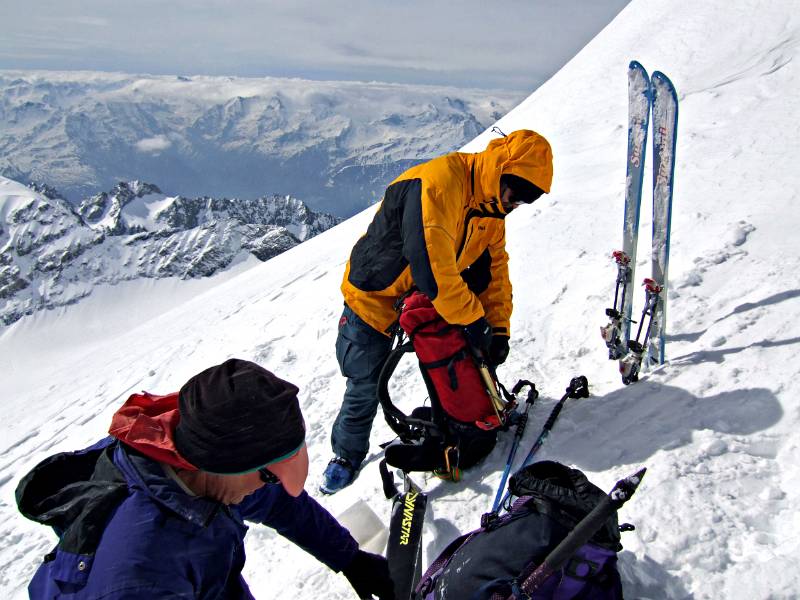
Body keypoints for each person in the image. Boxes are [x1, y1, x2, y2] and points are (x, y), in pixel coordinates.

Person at [16, 358, 395, 599]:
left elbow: (281, 503)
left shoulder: (202, 465)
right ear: (222, 464)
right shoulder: (140, 576)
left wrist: (350, 559)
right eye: (267, 475)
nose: (270, 485)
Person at [321, 129, 553, 494]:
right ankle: (346, 456)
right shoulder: (441, 183)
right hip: (375, 295)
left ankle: (456, 427)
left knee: (451, 361)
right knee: (365, 381)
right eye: (516, 194)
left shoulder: (491, 209)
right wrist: (475, 322)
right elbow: (432, 267)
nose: (515, 205)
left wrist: (499, 329)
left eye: (526, 201)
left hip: (422, 298)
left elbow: (496, 273)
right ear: (501, 172)